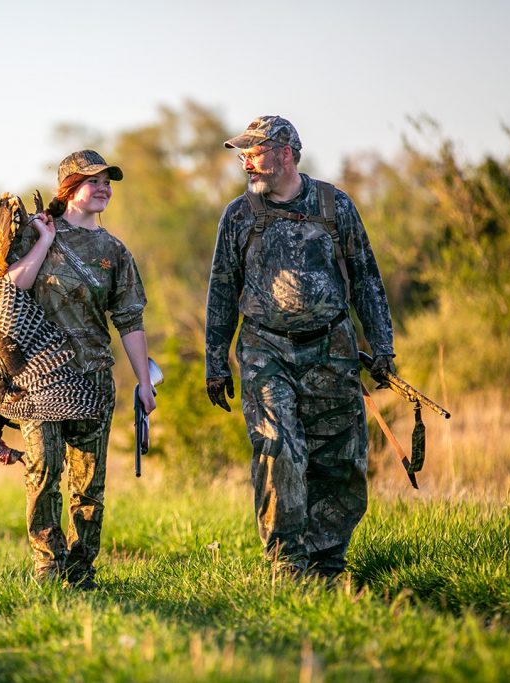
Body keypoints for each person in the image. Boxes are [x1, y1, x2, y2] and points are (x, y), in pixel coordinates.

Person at [204, 116, 396, 580]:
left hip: (332, 349)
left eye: (254, 151)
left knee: (339, 458)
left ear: (285, 153)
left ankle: (327, 563)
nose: (244, 160)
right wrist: (215, 361)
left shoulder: (335, 205)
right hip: (263, 349)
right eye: (241, 153)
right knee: (280, 452)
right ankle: (287, 565)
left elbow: (366, 277)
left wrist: (382, 346)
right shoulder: (239, 214)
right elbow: (222, 290)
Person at [6, 149, 156, 589]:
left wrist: (145, 383)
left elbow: (129, 319)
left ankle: (81, 569)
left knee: (89, 485)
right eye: (95, 181)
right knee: (43, 474)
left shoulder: (114, 250)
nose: (104, 188)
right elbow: (14, 286)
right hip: (37, 379)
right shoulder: (35, 234)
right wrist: (45, 243)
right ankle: (48, 568)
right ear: (69, 187)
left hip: (92, 379)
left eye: (108, 181)